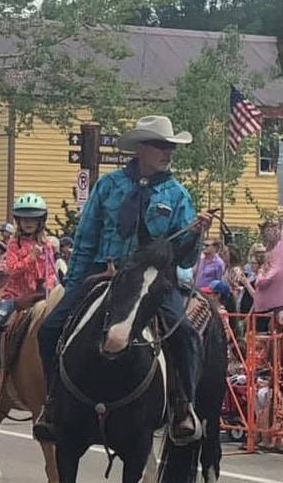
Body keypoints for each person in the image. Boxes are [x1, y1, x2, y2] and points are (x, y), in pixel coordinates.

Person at [33, 115, 213, 443]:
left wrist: (198, 233)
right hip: (106, 271)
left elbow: (184, 257)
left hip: (152, 281)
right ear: (142, 148)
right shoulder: (108, 186)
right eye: (161, 145)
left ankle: (182, 405)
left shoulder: (177, 195)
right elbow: (87, 236)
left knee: (185, 334)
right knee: (48, 329)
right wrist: (74, 284)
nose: (167, 152)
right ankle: (53, 401)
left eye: (170, 147)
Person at [0, 193, 55, 349]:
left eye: (33, 219)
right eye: (24, 218)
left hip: (41, 295)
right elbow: (12, 270)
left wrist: (49, 286)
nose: (28, 222)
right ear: (18, 221)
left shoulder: (46, 245)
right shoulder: (14, 244)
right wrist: (31, 257)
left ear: (40, 221)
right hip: (14, 297)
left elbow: (51, 271)